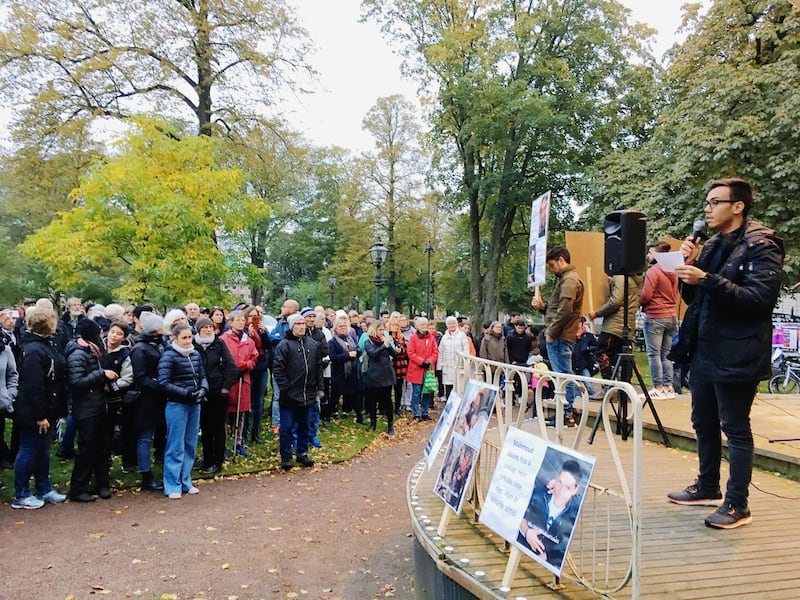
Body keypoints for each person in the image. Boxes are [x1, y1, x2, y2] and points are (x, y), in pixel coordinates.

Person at [668, 178, 784, 529]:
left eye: (715, 201)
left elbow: (758, 300)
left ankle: (738, 504)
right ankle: (707, 486)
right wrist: (689, 277)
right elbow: (698, 301)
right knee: (702, 421)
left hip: (739, 351)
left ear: (738, 206)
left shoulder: (762, 244)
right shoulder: (714, 244)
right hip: (706, 347)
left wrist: (706, 279)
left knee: (734, 427)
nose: (707, 208)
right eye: (706, 202)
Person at [12, 307, 68, 509]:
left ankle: (44, 487)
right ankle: (21, 494)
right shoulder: (33, 349)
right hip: (33, 411)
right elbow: (33, 386)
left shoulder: (44, 345)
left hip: (47, 408)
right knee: (28, 449)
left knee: (43, 450)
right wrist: (40, 415)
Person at [531, 246, 584, 428]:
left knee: (563, 374)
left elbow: (565, 311)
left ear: (561, 260)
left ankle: (567, 413)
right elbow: (559, 309)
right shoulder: (566, 279)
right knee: (562, 374)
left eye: (552, 265)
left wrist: (551, 333)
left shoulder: (569, 280)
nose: (551, 269)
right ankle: (564, 412)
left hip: (560, 335)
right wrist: (543, 307)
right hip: (560, 334)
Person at [66, 318, 118, 502]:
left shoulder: (94, 351)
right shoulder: (78, 354)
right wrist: (101, 375)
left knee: (103, 446)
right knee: (87, 448)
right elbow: (77, 382)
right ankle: (78, 488)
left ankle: (102, 484)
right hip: (86, 407)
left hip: (99, 404)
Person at [158, 322, 208, 499]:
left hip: (194, 403)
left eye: (189, 337)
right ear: (175, 338)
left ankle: (185, 480)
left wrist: (203, 390)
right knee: (175, 445)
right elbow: (163, 383)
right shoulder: (169, 356)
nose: (188, 341)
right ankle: (172, 484)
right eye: (184, 338)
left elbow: (202, 375)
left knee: (190, 443)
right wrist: (186, 394)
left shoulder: (195, 354)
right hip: (177, 404)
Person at [273, 313, 323, 471]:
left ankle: (302, 453)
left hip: (308, 393)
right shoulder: (284, 345)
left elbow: (319, 368)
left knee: (305, 426)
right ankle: (286, 456)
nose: (301, 326)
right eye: (298, 324)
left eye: (303, 323)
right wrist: (286, 388)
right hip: (290, 395)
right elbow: (278, 369)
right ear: (291, 326)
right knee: (287, 427)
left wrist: (320, 388)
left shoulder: (313, 345)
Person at [518, 459, 583, 569]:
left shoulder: (574, 512)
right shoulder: (539, 494)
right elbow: (517, 513)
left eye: (567, 488)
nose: (560, 490)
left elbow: (563, 546)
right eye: (560, 482)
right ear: (556, 479)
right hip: (521, 551)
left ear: (575, 490)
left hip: (545, 566)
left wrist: (548, 557)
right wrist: (527, 531)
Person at [194, 317, 238, 474]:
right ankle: (207, 460)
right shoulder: (193, 346)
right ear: (198, 329)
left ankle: (218, 461)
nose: (208, 330)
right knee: (205, 428)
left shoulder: (219, 344)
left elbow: (231, 367)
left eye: (210, 327)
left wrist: (226, 387)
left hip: (218, 391)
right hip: (200, 392)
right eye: (204, 327)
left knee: (218, 428)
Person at [129, 311, 166, 492]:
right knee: (145, 437)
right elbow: (140, 377)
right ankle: (146, 474)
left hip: (159, 397)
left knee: (156, 434)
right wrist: (160, 385)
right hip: (146, 399)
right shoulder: (140, 349)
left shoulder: (158, 345)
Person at [640, 241, 679, 399]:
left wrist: (639, 302)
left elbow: (646, 295)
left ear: (656, 254)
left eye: (650, 252)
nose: (648, 255)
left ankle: (658, 387)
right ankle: (669, 388)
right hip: (671, 315)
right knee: (666, 354)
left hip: (656, 316)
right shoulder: (673, 271)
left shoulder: (653, 272)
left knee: (653, 354)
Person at [587, 273, 642, 382]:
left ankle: (609, 386)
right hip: (626, 325)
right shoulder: (634, 280)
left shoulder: (620, 278)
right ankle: (624, 390)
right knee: (623, 357)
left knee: (602, 353)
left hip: (614, 326)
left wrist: (597, 313)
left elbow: (615, 301)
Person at [221, 310, 258, 457]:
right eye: (238, 320)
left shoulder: (248, 340)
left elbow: (254, 357)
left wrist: (247, 364)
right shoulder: (224, 339)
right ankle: (222, 444)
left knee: (240, 413)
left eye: (243, 320)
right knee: (224, 414)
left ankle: (238, 442)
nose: (241, 322)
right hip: (228, 380)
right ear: (231, 322)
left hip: (244, 380)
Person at [362, 320, 397, 435]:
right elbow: (373, 354)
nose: (382, 332)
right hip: (373, 375)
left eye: (383, 330)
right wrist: (383, 346)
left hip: (386, 374)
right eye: (380, 330)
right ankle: (373, 423)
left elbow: (394, 355)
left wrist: (388, 346)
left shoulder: (385, 340)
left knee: (387, 401)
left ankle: (390, 425)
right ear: (374, 330)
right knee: (372, 401)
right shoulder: (368, 341)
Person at [327, 316, 362, 424]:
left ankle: (359, 417)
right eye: (340, 326)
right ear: (335, 328)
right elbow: (333, 357)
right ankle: (327, 417)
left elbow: (356, 350)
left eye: (344, 326)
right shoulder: (332, 342)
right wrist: (348, 355)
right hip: (339, 373)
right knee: (334, 397)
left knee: (354, 395)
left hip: (352, 372)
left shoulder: (350, 338)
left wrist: (357, 352)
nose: (343, 328)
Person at [407, 317, 439, 421]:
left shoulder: (431, 338)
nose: (424, 327)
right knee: (416, 392)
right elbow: (411, 352)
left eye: (426, 325)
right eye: (422, 325)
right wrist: (421, 361)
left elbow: (435, 351)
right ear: (417, 326)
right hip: (417, 368)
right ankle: (416, 412)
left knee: (427, 391)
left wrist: (429, 361)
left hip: (428, 369)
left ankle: (425, 412)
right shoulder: (413, 338)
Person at [437, 316, 469, 400]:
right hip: (447, 366)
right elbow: (441, 351)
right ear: (447, 325)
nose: (452, 325)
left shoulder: (462, 335)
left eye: (453, 323)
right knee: (448, 387)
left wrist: (465, 363)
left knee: (459, 387)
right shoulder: (444, 337)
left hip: (459, 365)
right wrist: (439, 366)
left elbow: (466, 350)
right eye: (450, 323)